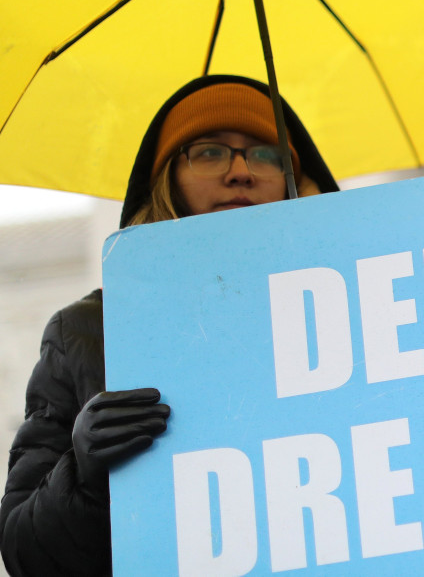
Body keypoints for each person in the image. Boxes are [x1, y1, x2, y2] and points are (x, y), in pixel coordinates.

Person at [0, 74, 339, 577]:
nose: (242, 172)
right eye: (208, 152)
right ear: (166, 180)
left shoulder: (357, 309)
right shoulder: (86, 332)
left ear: (299, 182)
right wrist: (85, 472)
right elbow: (27, 555)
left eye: (269, 155)